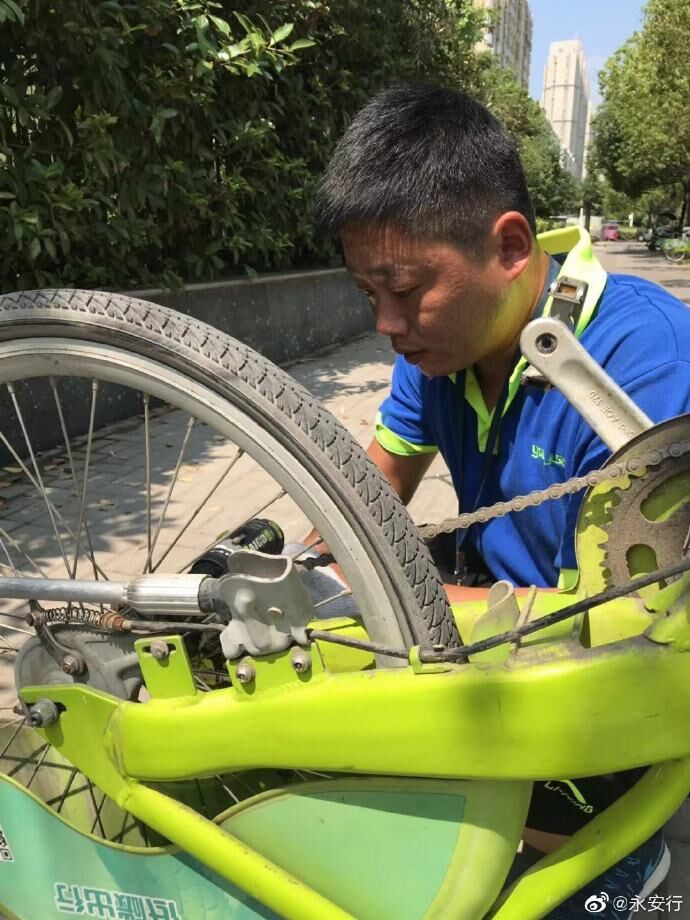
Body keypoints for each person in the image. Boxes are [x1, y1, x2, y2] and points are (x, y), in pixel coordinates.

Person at [308, 83, 690, 917]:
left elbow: (628, 619)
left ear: (510, 246)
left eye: (405, 289)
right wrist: (299, 572)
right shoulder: (438, 351)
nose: (387, 324)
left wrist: (380, 604)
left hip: (617, 651)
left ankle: (619, 852)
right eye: (368, 294)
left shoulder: (644, 359)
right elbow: (374, 486)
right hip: (500, 605)